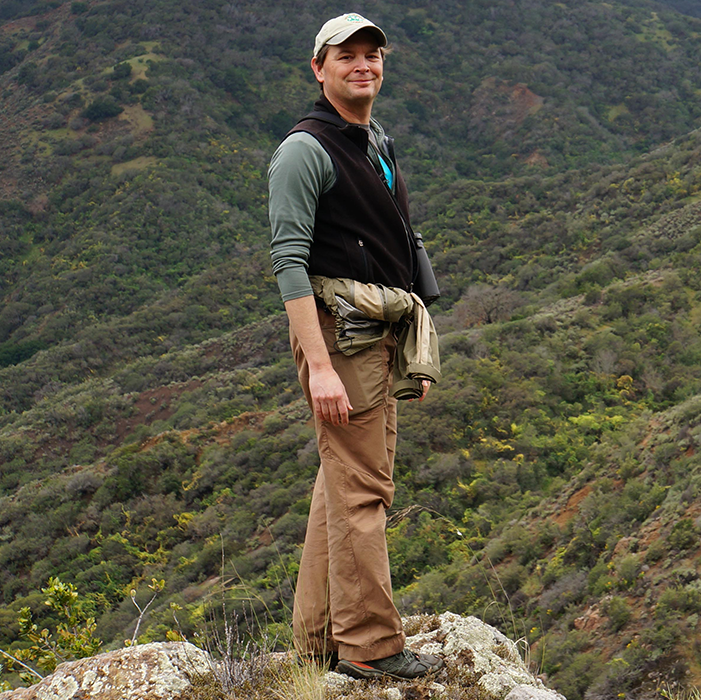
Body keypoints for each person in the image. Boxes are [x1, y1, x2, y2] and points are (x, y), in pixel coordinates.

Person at [267, 12, 442, 681]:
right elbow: (288, 263)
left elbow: (399, 242)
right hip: (340, 339)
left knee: (340, 484)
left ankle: (316, 645)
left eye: (373, 54)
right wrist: (319, 368)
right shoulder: (305, 151)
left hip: (380, 334)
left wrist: (415, 349)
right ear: (319, 67)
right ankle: (369, 644)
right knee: (365, 491)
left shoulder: (376, 141)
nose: (362, 65)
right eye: (347, 56)